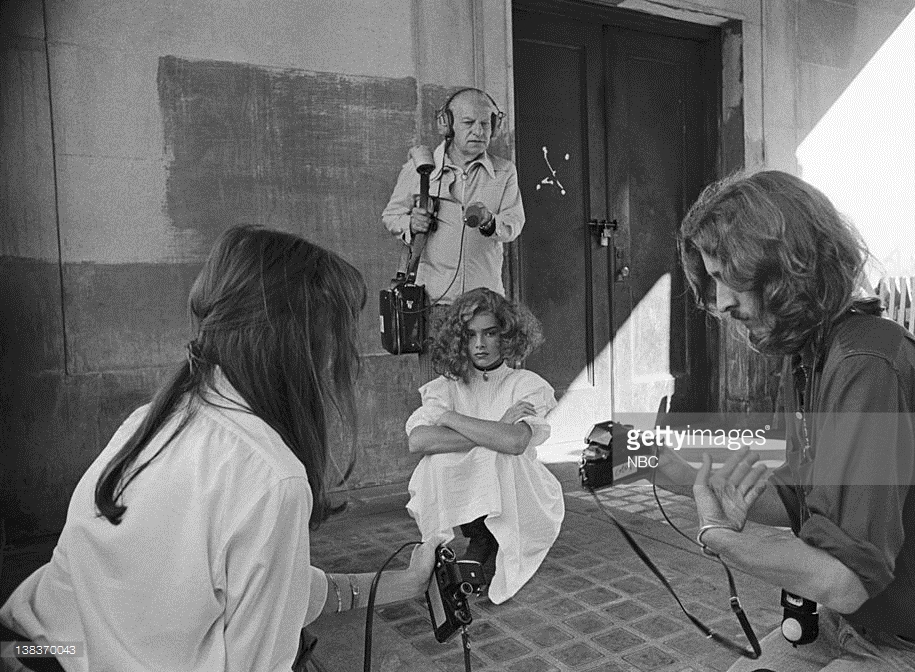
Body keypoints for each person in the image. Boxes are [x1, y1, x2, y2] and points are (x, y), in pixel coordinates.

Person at [0, 226, 438, 672]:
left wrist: (405, 583)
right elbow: (258, 660)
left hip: (38, 651)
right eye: (340, 334)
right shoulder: (271, 478)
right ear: (301, 344)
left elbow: (244, 584)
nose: (344, 356)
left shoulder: (152, 419)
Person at [653, 171, 915, 671]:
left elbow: (845, 581)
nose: (721, 303)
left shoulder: (866, 362)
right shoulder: (808, 354)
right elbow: (797, 496)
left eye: (727, 277)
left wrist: (723, 541)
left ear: (787, 267)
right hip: (862, 623)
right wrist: (675, 473)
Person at [405, 288, 563, 604]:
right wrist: (498, 425)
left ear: (507, 336)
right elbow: (419, 441)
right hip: (479, 483)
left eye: (490, 333)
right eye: (470, 335)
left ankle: (495, 541)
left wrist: (450, 419)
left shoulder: (527, 384)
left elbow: (515, 442)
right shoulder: (446, 387)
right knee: (437, 460)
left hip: (521, 488)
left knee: (499, 456)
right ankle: (477, 539)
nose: (480, 344)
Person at [381, 88, 525, 306]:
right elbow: (391, 216)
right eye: (468, 123)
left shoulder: (505, 172)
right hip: (432, 302)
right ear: (448, 125)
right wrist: (410, 224)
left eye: (485, 124)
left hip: (484, 303)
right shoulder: (419, 169)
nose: (478, 131)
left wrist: (490, 222)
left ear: (494, 126)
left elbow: (514, 223)